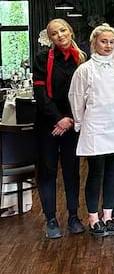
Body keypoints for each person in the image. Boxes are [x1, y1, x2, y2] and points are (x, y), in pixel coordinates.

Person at [69, 25, 114, 238]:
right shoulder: (85, 70)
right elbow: (76, 98)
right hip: (95, 125)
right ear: (94, 43)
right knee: (96, 172)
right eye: (104, 41)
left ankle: (108, 216)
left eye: (111, 42)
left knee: (113, 172)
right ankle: (93, 218)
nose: (108, 45)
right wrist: (79, 122)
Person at [33, 18, 86, 239]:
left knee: (72, 170)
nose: (59, 35)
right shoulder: (42, 58)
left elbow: (84, 93)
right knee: (47, 170)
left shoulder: (81, 59)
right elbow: (40, 94)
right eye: (54, 33)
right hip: (48, 123)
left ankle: (73, 216)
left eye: (62, 30)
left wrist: (71, 119)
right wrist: (59, 119)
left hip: (72, 123)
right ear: (50, 38)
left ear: (70, 31)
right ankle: (51, 219)